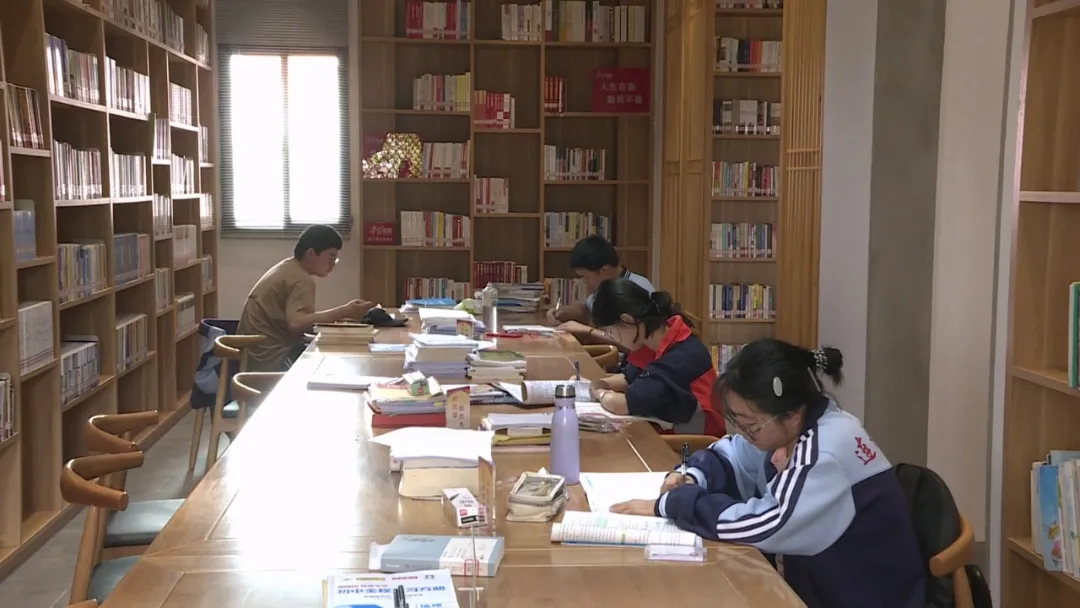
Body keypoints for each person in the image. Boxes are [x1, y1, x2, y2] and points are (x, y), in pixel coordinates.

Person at [610, 339, 926, 608]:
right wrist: (693, 476)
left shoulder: (825, 452)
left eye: (750, 425)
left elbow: (765, 524)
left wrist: (673, 503)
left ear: (791, 413)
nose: (743, 433)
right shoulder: (799, 425)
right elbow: (732, 454)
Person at [586, 278, 724, 436]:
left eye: (610, 331)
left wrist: (600, 393)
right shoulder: (657, 339)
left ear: (627, 320)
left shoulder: (682, 354)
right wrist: (599, 383)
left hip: (693, 443)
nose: (612, 337)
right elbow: (629, 377)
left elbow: (621, 404)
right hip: (666, 432)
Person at [238, 225, 373, 371]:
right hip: (270, 358)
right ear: (311, 253)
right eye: (331, 258)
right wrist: (344, 311)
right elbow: (297, 325)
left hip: (253, 354)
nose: (332, 265)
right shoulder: (301, 279)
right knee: (336, 363)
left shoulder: (288, 266)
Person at [547, 236, 654, 345]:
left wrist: (588, 331)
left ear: (604, 270)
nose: (584, 282)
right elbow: (587, 309)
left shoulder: (639, 289)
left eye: (586, 277)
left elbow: (637, 343)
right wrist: (561, 312)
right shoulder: (604, 287)